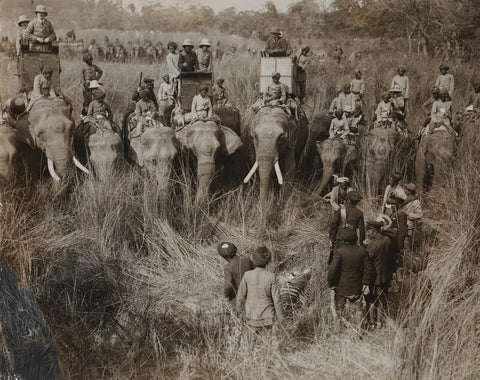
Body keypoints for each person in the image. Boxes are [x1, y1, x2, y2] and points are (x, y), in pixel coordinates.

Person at [328, 228, 372, 327]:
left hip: (342, 285)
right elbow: (368, 268)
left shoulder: (340, 251)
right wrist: (366, 283)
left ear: (343, 240)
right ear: (355, 239)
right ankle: (357, 331)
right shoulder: (362, 250)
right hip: (357, 284)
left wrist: (332, 283)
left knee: (339, 309)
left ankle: (338, 331)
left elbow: (333, 269)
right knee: (357, 310)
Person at [237, 246, 284, 334]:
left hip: (251, 316)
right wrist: (281, 318)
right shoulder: (271, 276)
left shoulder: (247, 275)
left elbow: (240, 297)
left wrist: (239, 314)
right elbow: (277, 300)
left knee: (252, 343)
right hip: (268, 317)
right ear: (267, 262)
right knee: (268, 342)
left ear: (253, 260)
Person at [365, 220, 393, 329]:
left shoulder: (373, 245)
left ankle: (372, 322)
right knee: (381, 300)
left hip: (374, 277)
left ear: (374, 231)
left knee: (371, 300)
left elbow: (367, 260)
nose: (367, 234)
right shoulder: (387, 240)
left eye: (369, 231)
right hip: (385, 276)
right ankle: (379, 322)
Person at [397, 183, 423, 252]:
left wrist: (408, 214)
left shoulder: (415, 202)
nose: (404, 190)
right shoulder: (405, 198)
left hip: (408, 226)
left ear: (409, 191)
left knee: (406, 244)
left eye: (406, 189)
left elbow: (420, 215)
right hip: (399, 224)